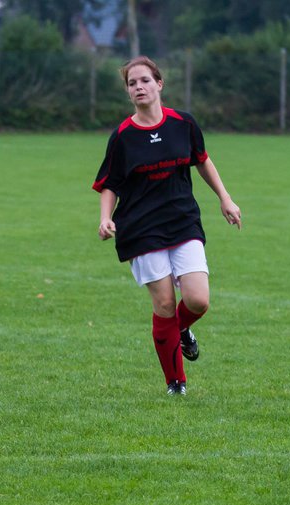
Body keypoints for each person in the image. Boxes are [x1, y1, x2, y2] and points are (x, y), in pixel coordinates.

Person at [93, 56, 241, 396]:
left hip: (182, 220)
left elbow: (202, 161)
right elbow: (109, 183)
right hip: (141, 228)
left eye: (145, 80)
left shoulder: (182, 123)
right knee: (163, 304)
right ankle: (176, 383)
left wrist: (225, 198)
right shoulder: (123, 137)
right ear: (128, 91)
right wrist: (105, 217)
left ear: (159, 84)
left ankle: (181, 330)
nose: (139, 87)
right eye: (132, 83)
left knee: (198, 300)